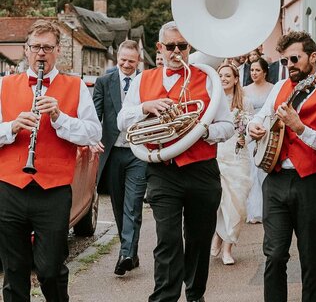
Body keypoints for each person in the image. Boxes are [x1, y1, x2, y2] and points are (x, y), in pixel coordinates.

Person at [117, 21, 234, 302]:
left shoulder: (207, 79)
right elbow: (122, 121)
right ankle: (164, 297)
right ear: (160, 48)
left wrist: (203, 130)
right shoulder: (143, 80)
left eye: (182, 46)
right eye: (171, 46)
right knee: (167, 240)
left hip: (202, 170)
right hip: (162, 171)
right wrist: (145, 108)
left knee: (198, 240)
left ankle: (195, 295)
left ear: (189, 47)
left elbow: (228, 126)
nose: (177, 51)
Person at [0, 19, 102, 301]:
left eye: (47, 47)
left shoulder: (76, 86)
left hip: (53, 190)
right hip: (10, 188)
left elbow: (93, 133)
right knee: (14, 269)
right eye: (35, 47)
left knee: (49, 268)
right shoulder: (4, 84)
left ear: (58, 51)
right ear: (25, 49)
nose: (40, 53)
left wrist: (59, 118)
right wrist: (12, 127)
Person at [248, 31, 316, 302]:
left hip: (311, 183)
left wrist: (300, 128)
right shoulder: (279, 87)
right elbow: (260, 116)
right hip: (276, 180)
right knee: (275, 254)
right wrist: (252, 126)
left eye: (294, 58)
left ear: (312, 57)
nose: (289, 65)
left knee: (311, 257)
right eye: (284, 61)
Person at [92, 40, 147, 276]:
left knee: (133, 205)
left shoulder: (146, 82)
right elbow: (95, 115)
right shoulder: (104, 82)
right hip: (113, 152)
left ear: (138, 61)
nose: (126, 64)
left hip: (138, 152)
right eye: (122, 60)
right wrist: (92, 138)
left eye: (131, 61)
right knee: (118, 205)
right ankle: (131, 254)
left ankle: (124, 253)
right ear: (117, 59)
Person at [211, 63, 253, 265]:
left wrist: (248, 138)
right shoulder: (213, 101)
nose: (224, 78)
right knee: (219, 203)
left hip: (238, 157)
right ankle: (219, 236)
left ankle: (228, 248)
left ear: (236, 78)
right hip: (217, 155)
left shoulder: (245, 102)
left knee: (236, 204)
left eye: (228, 75)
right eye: (221, 75)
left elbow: (253, 129)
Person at [244, 58, 274, 223]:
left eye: (257, 70)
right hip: (250, 132)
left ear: (265, 72)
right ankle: (253, 210)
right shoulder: (244, 90)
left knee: (264, 169)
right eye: (252, 70)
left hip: (267, 131)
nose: (254, 73)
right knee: (252, 172)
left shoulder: (273, 88)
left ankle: (267, 208)